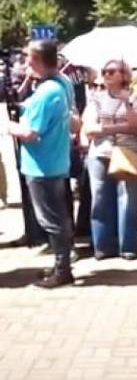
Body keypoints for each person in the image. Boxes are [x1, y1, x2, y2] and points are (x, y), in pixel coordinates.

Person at [5, 39, 76, 287]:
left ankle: (63, 270)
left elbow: (30, 133)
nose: (25, 62)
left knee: (51, 220)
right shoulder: (62, 83)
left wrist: (9, 126)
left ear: (36, 60)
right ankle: (60, 264)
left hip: (42, 164)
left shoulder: (48, 92)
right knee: (58, 216)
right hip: (55, 160)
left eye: (28, 58)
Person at [82, 60, 137, 260]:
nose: (106, 75)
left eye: (111, 71)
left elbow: (136, 126)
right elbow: (90, 128)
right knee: (100, 200)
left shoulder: (135, 96)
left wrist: (126, 104)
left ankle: (128, 246)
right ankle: (102, 246)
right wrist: (119, 127)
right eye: (104, 72)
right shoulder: (96, 98)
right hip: (100, 153)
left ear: (123, 75)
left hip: (128, 152)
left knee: (128, 201)